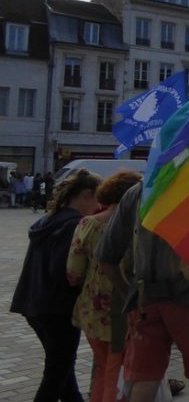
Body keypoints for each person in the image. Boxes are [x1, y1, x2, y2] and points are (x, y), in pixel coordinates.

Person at [97, 182, 189, 402]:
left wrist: (130, 297)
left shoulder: (136, 193)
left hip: (145, 302)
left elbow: (106, 260)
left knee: (144, 379)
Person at [11, 168, 103, 402]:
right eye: (97, 198)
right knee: (56, 372)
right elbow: (63, 270)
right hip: (57, 307)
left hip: (33, 302)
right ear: (86, 195)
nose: (98, 206)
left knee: (63, 369)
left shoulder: (49, 219)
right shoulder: (75, 225)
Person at [66, 169, 142, 402]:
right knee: (117, 368)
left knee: (102, 365)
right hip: (126, 306)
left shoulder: (88, 224)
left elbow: (73, 272)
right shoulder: (141, 225)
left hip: (92, 308)